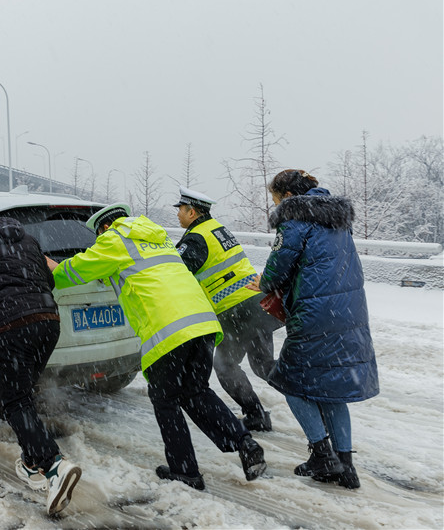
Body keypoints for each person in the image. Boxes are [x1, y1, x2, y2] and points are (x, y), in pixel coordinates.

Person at [48, 203, 266, 491]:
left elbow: (71, 274)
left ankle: (185, 471)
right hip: (201, 323)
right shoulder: (158, 238)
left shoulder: (114, 240)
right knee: (196, 391)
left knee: (166, 401)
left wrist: (49, 265)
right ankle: (245, 443)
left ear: (103, 228)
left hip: (168, 330)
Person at [247, 169, 379, 489]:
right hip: (349, 313)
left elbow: (280, 264)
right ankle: (346, 466)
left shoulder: (294, 217)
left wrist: (262, 283)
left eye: (275, 199)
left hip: (316, 314)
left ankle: (322, 455)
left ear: (288, 197)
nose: (275, 205)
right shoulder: (336, 219)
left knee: (290, 382)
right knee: (331, 388)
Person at [0, 199, 81, 515]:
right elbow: (49, 281)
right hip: (49, 323)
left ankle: (54, 465)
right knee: (22, 396)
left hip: (15, 326)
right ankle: (31, 462)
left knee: (14, 402)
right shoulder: (27, 239)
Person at [173, 187, 284, 431]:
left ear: (192, 212)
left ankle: (256, 415)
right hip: (256, 303)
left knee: (225, 367)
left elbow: (177, 274)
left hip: (236, 311)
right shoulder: (217, 229)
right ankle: (307, 392)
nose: (178, 215)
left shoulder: (195, 238)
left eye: (180, 210)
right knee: (264, 365)